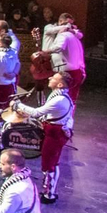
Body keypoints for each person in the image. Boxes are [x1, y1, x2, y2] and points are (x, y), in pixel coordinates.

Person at [10, 73, 76, 203]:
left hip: (55, 134)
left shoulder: (59, 99)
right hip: (55, 132)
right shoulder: (61, 96)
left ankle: (49, 194)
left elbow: (37, 113)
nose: (50, 78)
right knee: (52, 163)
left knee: (49, 164)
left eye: (54, 78)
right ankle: (49, 191)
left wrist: (18, 105)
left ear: (60, 84)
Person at [40, 14, 86, 101]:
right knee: (72, 98)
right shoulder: (74, 37)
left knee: (61, 98)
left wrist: (45, 52)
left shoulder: (64, 35)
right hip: (77, 71)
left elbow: (59, 47)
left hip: (67, 72)